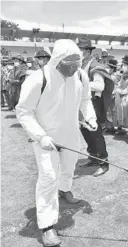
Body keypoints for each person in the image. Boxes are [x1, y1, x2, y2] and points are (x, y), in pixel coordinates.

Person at [16, 39, 97, 246]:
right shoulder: (38, 78)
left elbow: (86, 99)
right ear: (57, 60)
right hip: (45, 137)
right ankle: (47, 226)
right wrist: (40, 136)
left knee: (69, 167)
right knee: (48, 177)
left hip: (71, 134)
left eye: (77, 62)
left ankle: (65, 189)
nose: (74, 67)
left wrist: (90, 118)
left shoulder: (80, 74)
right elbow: (24, 110)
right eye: (69, 63)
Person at [77, 37, 114, 177]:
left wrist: (81, 85)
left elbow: (100, 85)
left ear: (86, 51)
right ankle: (93, 156)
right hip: (82, 103)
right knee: (85, 130)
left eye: (79, 50)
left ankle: (104, 162)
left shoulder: (95, 65)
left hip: (93, 104)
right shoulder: (80, 65)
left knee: (96, 133)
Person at [113, 55, 128, 135]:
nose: (122, 67)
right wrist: (119, 88)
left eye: (123, 65)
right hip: (122, 95)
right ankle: (121, 127)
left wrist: (124, 91)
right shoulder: (124, 75)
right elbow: (120, 83)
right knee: (121, 111)